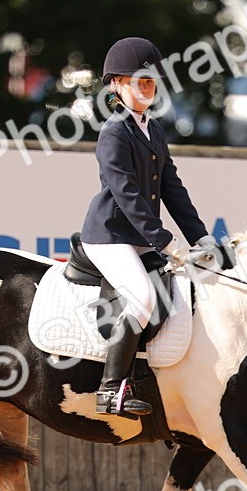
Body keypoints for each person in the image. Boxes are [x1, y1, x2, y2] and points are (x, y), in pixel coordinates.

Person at [81, 36, 218, 417]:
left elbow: (172, 187)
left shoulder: (153, 130)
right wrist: (164, 240)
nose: (147, 88)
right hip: (110, 236)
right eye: (139, 81)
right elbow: (126, 194)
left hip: (141, 238)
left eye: (151, 82)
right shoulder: (113, 133)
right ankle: (110, 391)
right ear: (116, 85)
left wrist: (201, 236)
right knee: (142, 298)